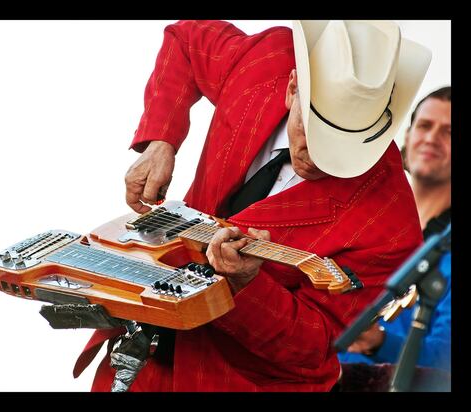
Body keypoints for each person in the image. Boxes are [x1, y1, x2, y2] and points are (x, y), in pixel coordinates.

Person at [73, 20, 432, 391]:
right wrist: (161, 140)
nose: (322, 159)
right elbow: (186, 39)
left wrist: (248, 285)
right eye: (313, 133)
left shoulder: (392, 224)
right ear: (293, 88)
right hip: (140, 351)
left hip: (237, 380)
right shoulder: (269, 59)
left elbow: (313, 346)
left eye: (344, 149)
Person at [338, 87, 451, 374]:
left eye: (448, 132)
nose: (430, 138)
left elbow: (445, 360)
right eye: (424, 126)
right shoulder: (359, 216)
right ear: (408, 136)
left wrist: (378, 342)